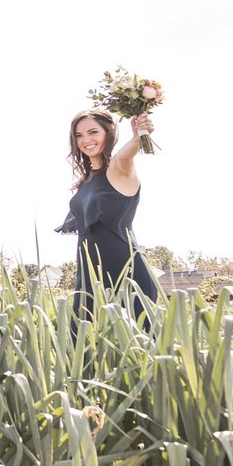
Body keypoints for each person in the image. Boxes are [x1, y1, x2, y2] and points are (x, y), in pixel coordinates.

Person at [55, 108, 159, 321]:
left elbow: (126, 153)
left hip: (127, 276)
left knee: (139, 346)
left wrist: (138, 135)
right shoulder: (87, 181)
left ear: (108, 133)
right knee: (83, 344)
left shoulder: (118, 168)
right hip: (89, 277)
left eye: (93, 132)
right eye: (79, 135)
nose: (86, 140)